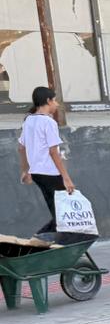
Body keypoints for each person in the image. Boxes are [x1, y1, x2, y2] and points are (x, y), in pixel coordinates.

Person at [16, 85, 74, 235]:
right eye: (54, 100)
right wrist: (66, 178)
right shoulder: (48, 122)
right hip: (50, 172)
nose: (57, 104)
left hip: (37, 174)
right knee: (63, 211)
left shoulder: (28, 121)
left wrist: (26, 170)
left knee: (56, 210)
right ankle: (42, 238)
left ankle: (47, 239)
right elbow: (53, 151)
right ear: (48, 101)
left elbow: (21, 148)